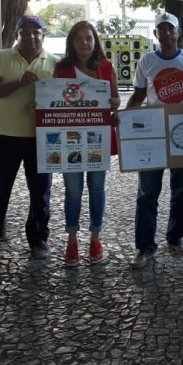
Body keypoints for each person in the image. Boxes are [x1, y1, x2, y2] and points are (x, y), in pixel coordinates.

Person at [0, 15, 58, 268]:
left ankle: (38, 240)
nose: (31, 36)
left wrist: (42, 107)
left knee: (40, 193)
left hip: (42, 138)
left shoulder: (55, 62)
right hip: (6, 136)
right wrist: (19, 83)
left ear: (43, 35)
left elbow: (62, 99)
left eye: (36, 32)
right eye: (24, 32)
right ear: (16, 35)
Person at [126, 12, 183, 269]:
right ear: (155, 34)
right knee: (147, 192)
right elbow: (138, 96)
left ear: (179, 32)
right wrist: (124, 118)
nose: (167, 33)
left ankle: (176, 238)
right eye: (162, 29)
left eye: (171, 29)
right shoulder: (146, 61)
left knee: (181, 191)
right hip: (153, 136)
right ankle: (145, 247)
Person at [54, 21, 120, 267]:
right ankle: (72, 240)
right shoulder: (61, 68)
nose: (84, 43)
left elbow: (115, 101)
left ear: (95, 42)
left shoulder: (106, 67)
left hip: (97, 139)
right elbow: (52, 101)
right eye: (79, 38)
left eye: (89, 38)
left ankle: (95, 238)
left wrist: (115, 104)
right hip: (69, 140)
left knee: (97, 187)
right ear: (71, 42)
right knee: (72, 190)